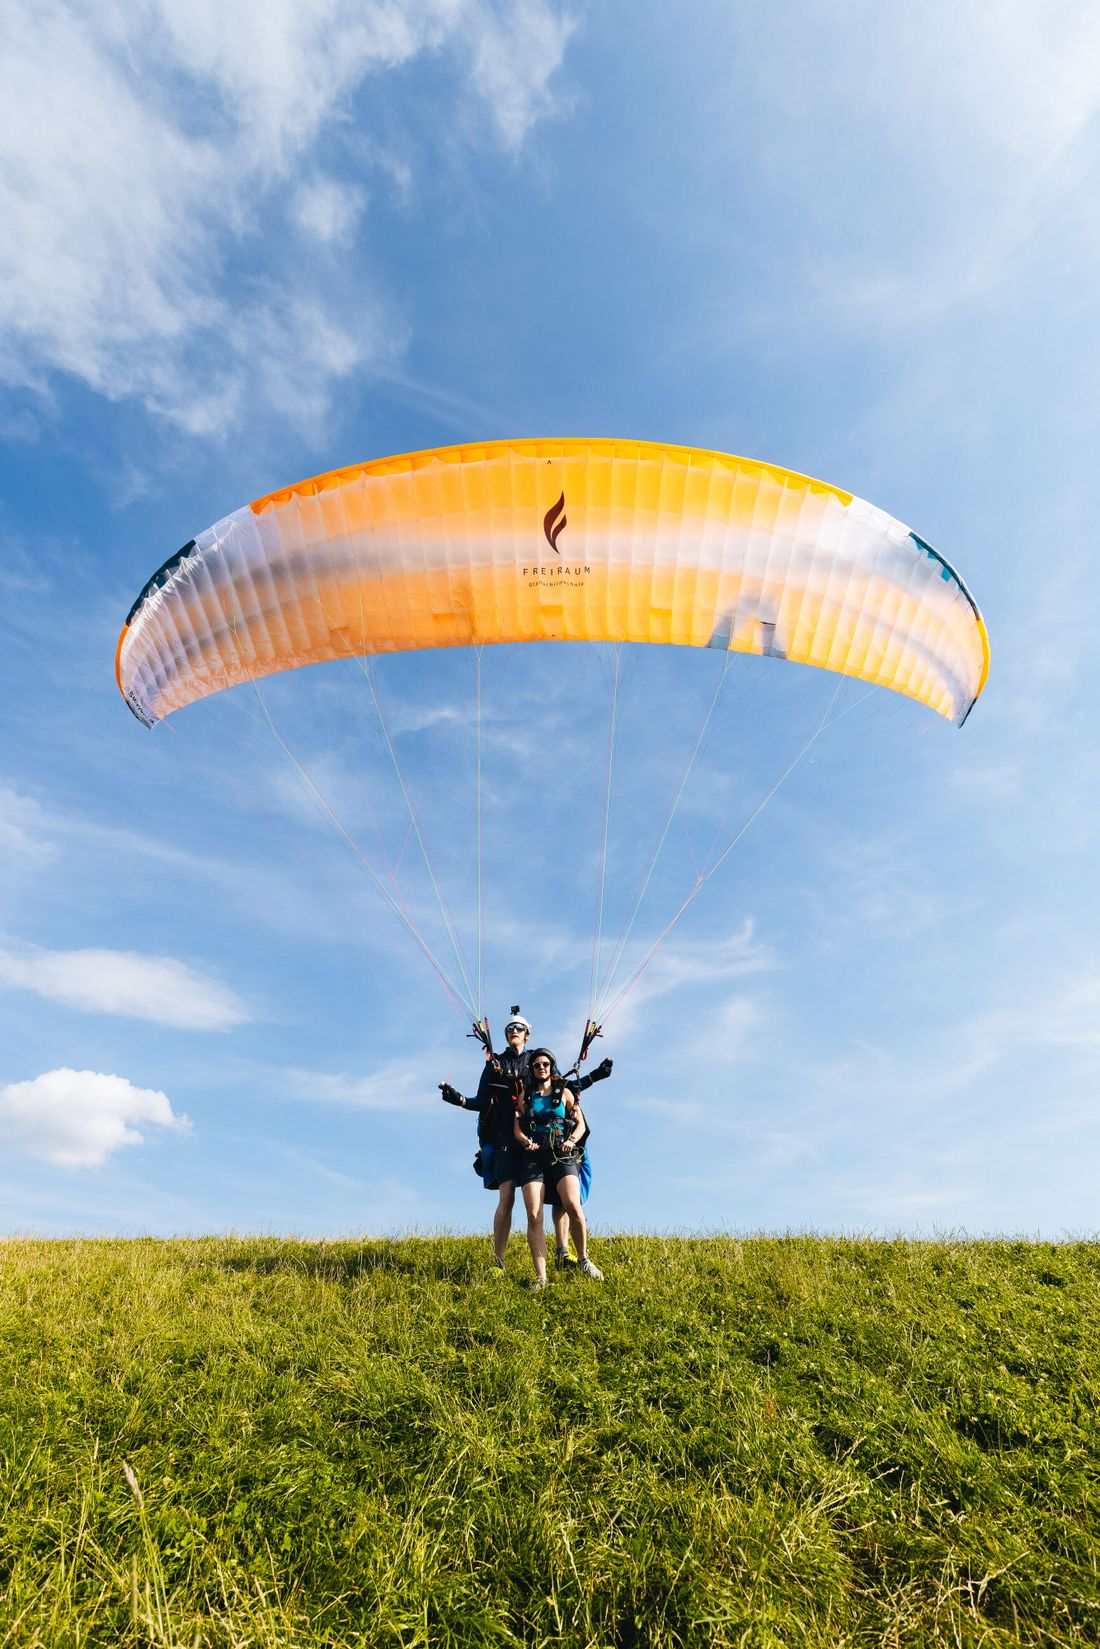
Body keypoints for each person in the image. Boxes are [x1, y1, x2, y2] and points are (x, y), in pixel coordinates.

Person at [440, 1007, 611, 1271]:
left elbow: (561, 1088)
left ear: (527, 1035)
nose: (514, 1032)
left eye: (519, 1029)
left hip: (541, 1140)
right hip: (508, 1137)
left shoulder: (537, 1061)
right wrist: (460, 1100)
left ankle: (563, 1252)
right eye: (509, 1029)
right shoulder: (494, 1064)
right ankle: (498, 1262)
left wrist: (595, 1076)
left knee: (559, 1194)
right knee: (507, 1196)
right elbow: (481, 1100)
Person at [513, 1048, 603, 1288]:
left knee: (572, 1204)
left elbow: (580, 1124)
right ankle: (541, 1278)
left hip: (562, 1153)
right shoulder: (525, 1096)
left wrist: (571, 1141)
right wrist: (525, 1141)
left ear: (551, 1066)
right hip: (533, 1155)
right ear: (531, 1070)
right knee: (533, 1214)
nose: (541, 1068)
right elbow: (517, 1128)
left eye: (545, 1064)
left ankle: (583, 1259)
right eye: (536, 1065)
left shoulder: (564, 1092)